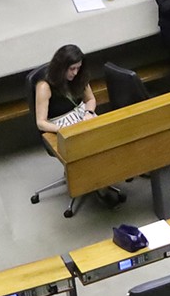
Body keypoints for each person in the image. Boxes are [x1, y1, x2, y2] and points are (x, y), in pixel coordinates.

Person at [35, 44, 124, 205]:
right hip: (59, 123)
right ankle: (99, 185)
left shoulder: (80, 77)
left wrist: (89, 113)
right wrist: (62, 129)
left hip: (81, 115)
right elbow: (41, 122)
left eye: (78, 68)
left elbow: (90, 100)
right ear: (61, 67)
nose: (75, 73)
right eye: (71, 69)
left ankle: (106, 176)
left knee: (107, 137)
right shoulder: (44, 87)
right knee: (87, 147)